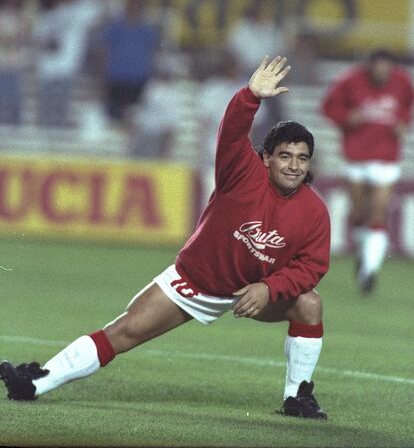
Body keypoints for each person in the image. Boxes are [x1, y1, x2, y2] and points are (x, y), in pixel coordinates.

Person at [0, 55, 330, 420]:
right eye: (285, 156)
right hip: (194, 281)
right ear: (266, 158)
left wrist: (270, 288)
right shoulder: (241, 173)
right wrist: (250, 96)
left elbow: (312, 266)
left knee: (309, 304)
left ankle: (297, 397)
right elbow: (232, 133)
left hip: (249, 291)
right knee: (123, 332)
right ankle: (34, 384)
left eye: (302, 158)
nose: (294, 165)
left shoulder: (314, 211)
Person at [321, 49, 414, 293]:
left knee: (378, 212)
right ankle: (364, 254)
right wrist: (345, 118)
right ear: (369, 67)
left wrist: (404, 120)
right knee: (359, 213)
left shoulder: (403, 82)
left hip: (386, 156)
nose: (383, 72)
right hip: (356, 155)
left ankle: (369, 271)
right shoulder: (349, 81)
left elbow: (407, 106)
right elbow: (328, 107)